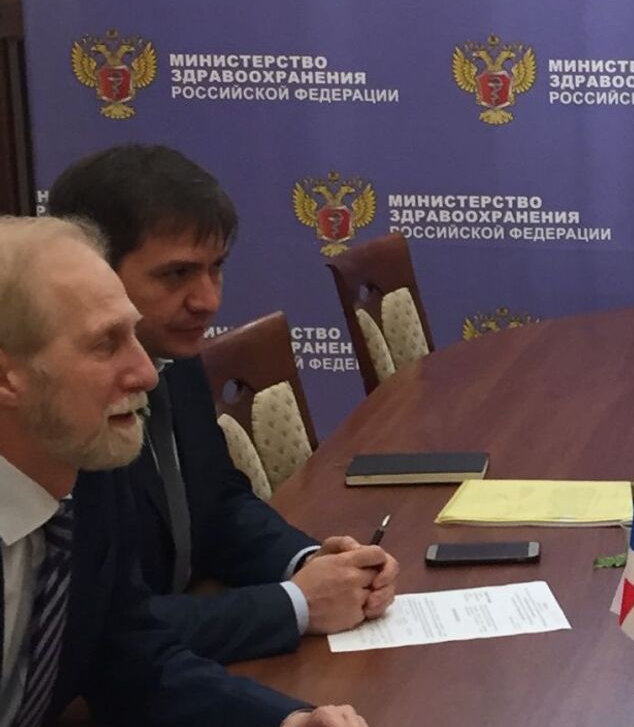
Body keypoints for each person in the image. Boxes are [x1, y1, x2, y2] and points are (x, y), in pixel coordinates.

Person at [0, 216, 382, 727]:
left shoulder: (86, 469)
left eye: (133, 335)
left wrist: (285, 724)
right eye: (105, 345)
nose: (147, 373)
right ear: (8, 377)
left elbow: (131, 662)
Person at [47, 144, 396, 663]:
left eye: (216, 269)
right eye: (176, 275)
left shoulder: (172, 354)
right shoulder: (52, 409)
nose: (208, 300)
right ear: (91, 272)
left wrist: (308, 562)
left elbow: (218, 503)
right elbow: (98, 630)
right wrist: (295, 605)